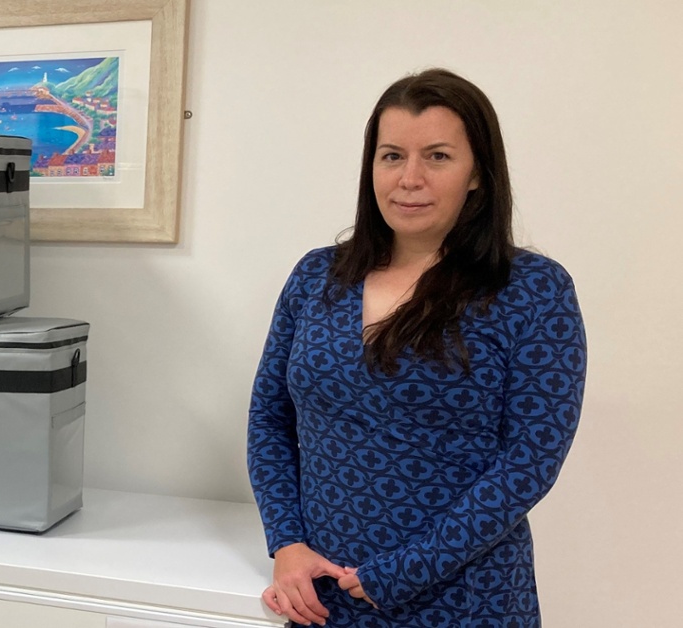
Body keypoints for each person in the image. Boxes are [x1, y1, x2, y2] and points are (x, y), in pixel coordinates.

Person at [247, 68, 586, 627]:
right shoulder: (316, 277)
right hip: (325, 598)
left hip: (465, 601)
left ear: (478, 172)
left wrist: (400, 572)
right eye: (391, 156)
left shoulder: (532, 288)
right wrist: (286, 544)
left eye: (437, 156)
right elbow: (269, 417)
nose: (409, 179)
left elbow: (530, 459)